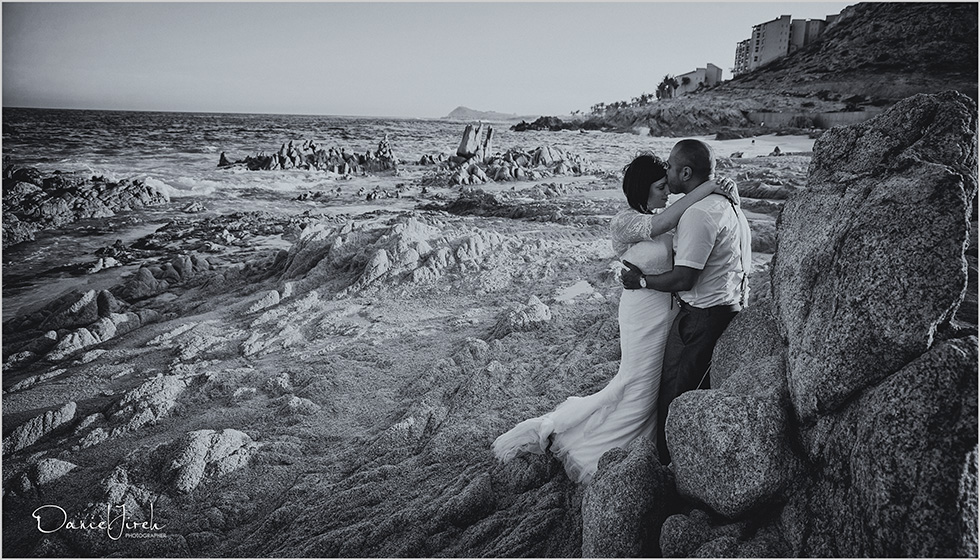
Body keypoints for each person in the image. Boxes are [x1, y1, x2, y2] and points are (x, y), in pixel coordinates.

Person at [492, 153, 730, 485]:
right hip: (641, 310)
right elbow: (663, 224)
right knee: (636, 382)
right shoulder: (624, 222)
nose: (667, 192)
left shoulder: (666, 214)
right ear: (642, 189)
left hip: (667, 311)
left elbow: (687, 230)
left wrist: (721, 190)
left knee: (654, 383)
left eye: (667, 185)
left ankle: (648, 444)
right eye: (661, 186)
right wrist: (709, 187)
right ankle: (596, 450)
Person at [621, 139, 751, 465]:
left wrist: (642, 281)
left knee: (677, 397)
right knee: (671, 388)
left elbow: (684, 278)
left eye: (670, 167)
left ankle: (672, 466)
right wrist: (714, 186)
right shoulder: (730, 207)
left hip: (700, 317)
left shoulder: (698, 214)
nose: (666, 170)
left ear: (686, 172)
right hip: (697, 311)